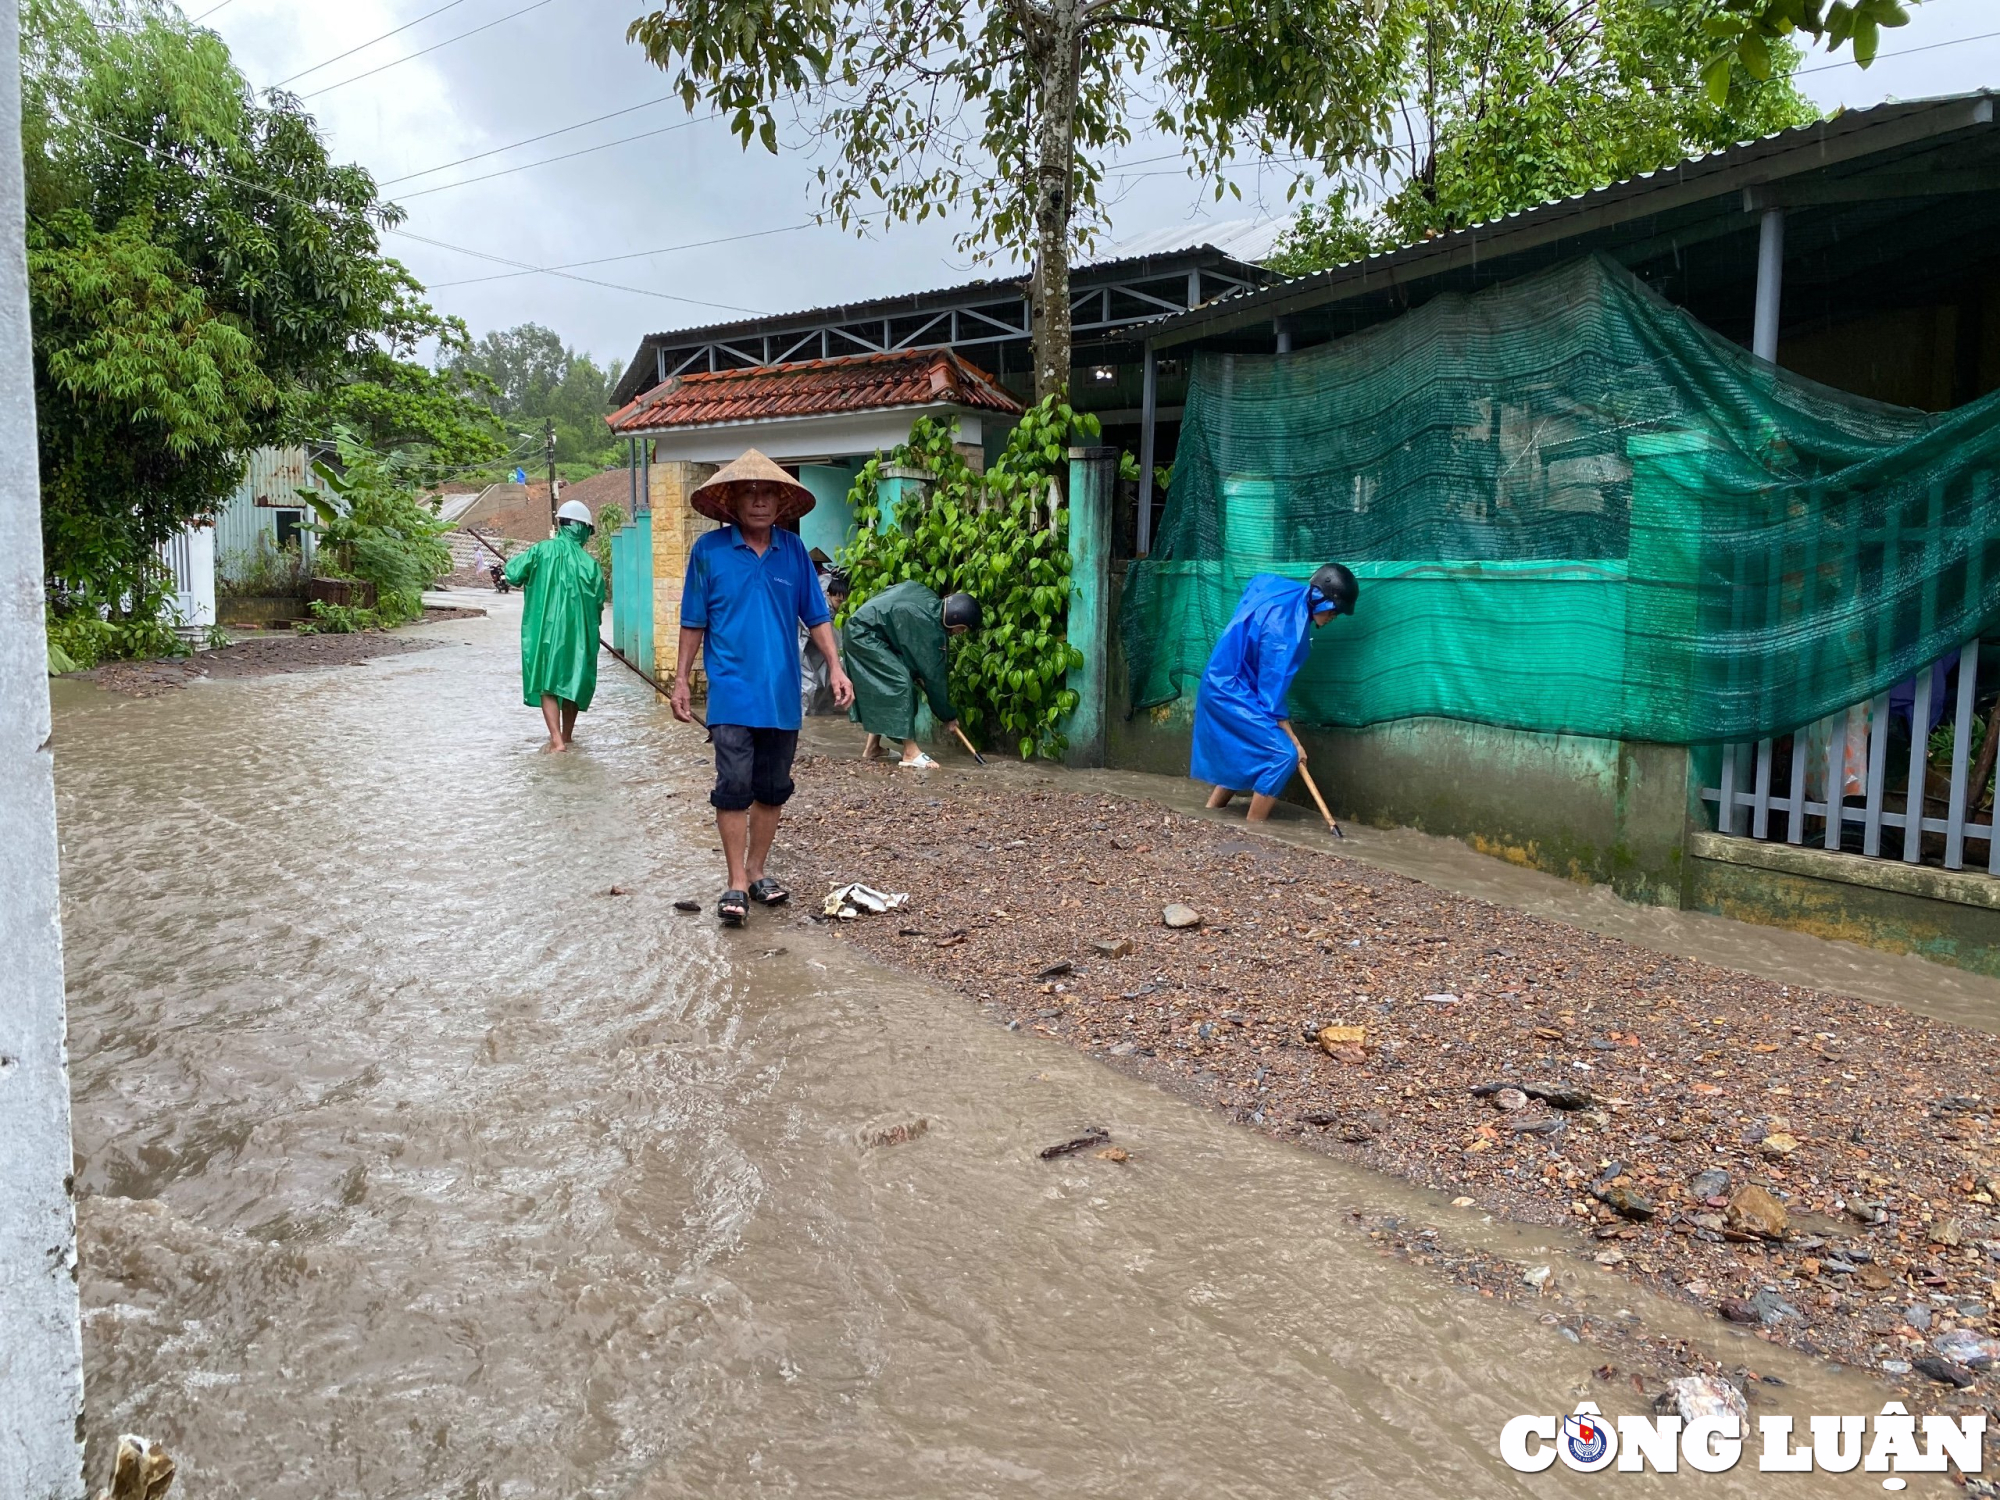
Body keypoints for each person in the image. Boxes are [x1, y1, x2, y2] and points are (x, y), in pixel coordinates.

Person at [670, 450, 854, 927]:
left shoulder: (792, 552)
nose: (759, 501)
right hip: (731, 692)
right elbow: (693, 621)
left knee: (772, 788)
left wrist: (836, 667)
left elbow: (816, 616)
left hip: (782, 694)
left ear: (781, 500)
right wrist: (682, 680)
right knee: (733, 786)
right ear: (732, 501)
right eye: (749, 492)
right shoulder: (708, 553)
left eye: (768, 491)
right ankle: (734, 882)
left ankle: (757, 871)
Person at [1192, 563, 1359, 821]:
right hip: (1230, 691)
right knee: (1282, 755)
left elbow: (1257, 582)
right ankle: (1255, 829)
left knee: (1248, 748)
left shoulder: (1287, 593)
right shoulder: (1285, 631)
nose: (1333, 618)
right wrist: (1295, 743)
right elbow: (1272, 700)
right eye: (1334, 611)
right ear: (1323, 601)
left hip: (1225, 680)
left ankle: (1210, 816)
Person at [503, 497, 605, 753]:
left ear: (561, 524)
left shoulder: (541, 551)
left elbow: (513, 574)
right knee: (572, 682)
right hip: (579, 637)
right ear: (583, 529)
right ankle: (567, 737)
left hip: (545, 632)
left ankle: (556, 740)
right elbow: (599, 606)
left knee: (548, 684)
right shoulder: (591, 565)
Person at [843, 581, 980, 769]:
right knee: (899, 684)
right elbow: (934, 680)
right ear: (955, 618)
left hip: (867, 630)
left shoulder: (928, 598)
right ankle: (910, 752)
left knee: (893, 682)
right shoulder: (931, 631)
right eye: (962, 628)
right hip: (864, 636)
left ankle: (872, 747)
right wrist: (947, 715)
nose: (959, 634)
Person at [800, 566, 851, 717]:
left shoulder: (826, 591)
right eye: (838, 601)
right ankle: (804, 723)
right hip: (800, 642)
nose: (840, 605)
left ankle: (814, 718)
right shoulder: (822, 607)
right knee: (809, 683)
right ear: (829, 595)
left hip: (811, 644)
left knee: (822, 681)